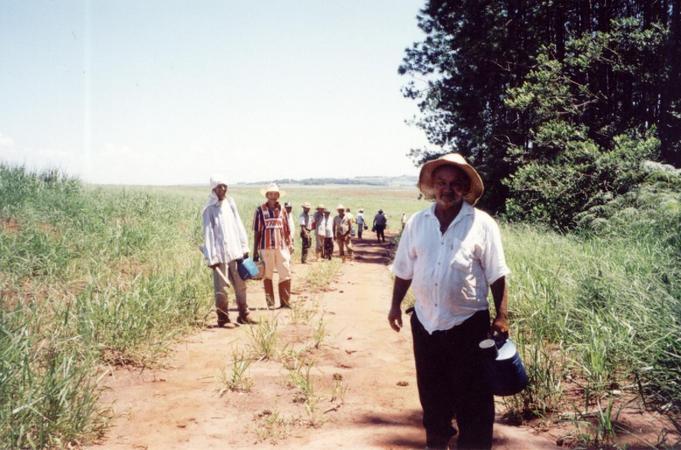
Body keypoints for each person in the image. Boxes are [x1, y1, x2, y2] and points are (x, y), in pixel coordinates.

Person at [388, 153, 511, 450]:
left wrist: (502, 315)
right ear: (432, 186)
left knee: (474, 399)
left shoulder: (482, 224)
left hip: (469, 326)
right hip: (426, 324)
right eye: (441, 182)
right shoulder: (418, 222)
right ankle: (436, 444)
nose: (448, 189)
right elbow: (404, 269)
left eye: (455, 184)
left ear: (465, 188)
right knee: (432, 396)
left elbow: (497, 273)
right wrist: (395, 305)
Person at [201, 176, 257, 327]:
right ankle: (223, 318)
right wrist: (210, 257)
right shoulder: (209, 209)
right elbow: (208, 234)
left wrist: (244, 247)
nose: (223, 189)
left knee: (241, 284)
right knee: (222, 287)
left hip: (235, 251)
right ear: (213, 189)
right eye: (219, 187)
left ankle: (244, 315)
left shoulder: (230, 204)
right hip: (219, 255)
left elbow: (238, 225)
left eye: (225, 186)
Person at [252, 183, 293, 309]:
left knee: (285, 272)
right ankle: (270, 304)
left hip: (282, 247)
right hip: (266, 247)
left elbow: (286, 229)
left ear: (278, 195)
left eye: (276, 194)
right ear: (267, 195)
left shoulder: (283, 210)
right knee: (267, 274)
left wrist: (290, 243)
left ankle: (285, 303)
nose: (273, 196)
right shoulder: (259, 210)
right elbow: (257, 232)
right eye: (271, 194)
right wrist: (255, 250)